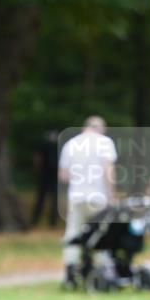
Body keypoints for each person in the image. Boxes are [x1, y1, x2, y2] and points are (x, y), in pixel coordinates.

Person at [58, 115, 117, 287]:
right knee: (100, 233)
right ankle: (101, 271)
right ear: (101, 129)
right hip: (98, 196)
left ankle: (70, 270)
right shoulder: (105, 143)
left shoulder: (71, 144)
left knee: (73, 233)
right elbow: (108, 169)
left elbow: (63, 175)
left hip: (76, 196)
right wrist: (112, 195)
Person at [30, 129, 59, 228]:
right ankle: (36, 220)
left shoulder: (58, 147)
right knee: (42, 199)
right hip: (45, 177)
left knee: (54, 200)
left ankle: (52, 222)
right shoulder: (45, 146)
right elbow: (38, 159)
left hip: (53, 177)